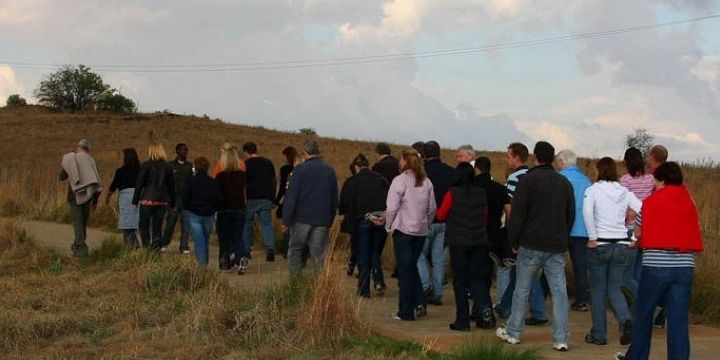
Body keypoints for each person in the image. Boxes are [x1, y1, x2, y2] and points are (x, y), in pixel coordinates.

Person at [616, 162, 703, 360]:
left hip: (656, 265)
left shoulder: (650, 202)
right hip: (685, 266)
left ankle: (637, 356)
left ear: (661, 180)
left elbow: (638, 231)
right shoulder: (689, 202)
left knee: (644, 314)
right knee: (678, 319)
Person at [496, 141, 574, 352]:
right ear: (552, 159)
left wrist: (513, 241)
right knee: (559, 292)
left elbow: (518, 215)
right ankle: (561, 338)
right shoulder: (564, 182)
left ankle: (514, 332)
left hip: (530, 244)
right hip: (556, 246)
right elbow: (570, 214)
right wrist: (562, 237)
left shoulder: (528, 180)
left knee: (521, 289)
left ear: (535, 157)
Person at [583, 157, 642, 346]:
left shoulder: (592, 190)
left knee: (598, 290)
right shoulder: (624, 191)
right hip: (621, 244)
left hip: (600, 244)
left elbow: (587, 212)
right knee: (614, 289)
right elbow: (642, 207)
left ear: (599, 170)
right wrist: (633, 237)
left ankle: (599, 334)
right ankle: (626, 320)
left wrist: (592, 237)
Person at [496, 143, 549, 326]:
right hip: (536, 229)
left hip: (521, 232)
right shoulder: (531, 176)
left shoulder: (514, 178)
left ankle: (537, 310)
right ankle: (505, 306)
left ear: (517, 157)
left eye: (508, 156)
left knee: (524, 272)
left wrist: (511, 234)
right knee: (519, 272)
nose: (506, 159)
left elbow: (511, 208)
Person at [436, 162, 492, 331]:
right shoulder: (482, 193)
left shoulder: (452, 193)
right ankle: (486, 313)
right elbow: (485, 218)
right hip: (479, 242)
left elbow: (440, 215)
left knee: (460, 282)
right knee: (478, 280)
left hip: (459, 243)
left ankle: (463, 320)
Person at [386, 147, 437, 321]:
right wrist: (426, 223)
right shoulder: (426, 182)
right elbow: (432, 209)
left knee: (405, 271)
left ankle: (406, 311)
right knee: (412, 266)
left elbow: (392, 207)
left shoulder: (399, 181)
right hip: (420, 231)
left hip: (403, 230)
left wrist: (388, 225)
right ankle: (419, 302)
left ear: (405, 161)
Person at [282, 140, 338, 276]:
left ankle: (295, 283)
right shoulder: (330, 171)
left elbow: (291, 198)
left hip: (301, 219)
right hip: (321, 220)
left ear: (305, 153)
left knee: (295, 250)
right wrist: (329, 220)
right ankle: (319, 287)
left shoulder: (299, 170)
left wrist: (286, 220)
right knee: (319, 255)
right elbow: (334, 198)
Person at [339, 154, 389, 298]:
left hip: (363, 220)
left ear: (356, 167)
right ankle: (378, 281)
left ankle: (364, 290)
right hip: (381, 220)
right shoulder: (381, 179)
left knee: (363, 255)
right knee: (374, 251)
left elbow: (345, 203)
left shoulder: (353, 181)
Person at [473, 156, 510, 329]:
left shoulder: (472, 188)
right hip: (495, 235)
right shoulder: (500, 189)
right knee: (487, 273)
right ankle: (479, 309)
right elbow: (509, 211)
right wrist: (507, 232)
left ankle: (484, 310)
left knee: (475, 275)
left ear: (477, 169)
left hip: (475, 235)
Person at [418, 140, 455, 306]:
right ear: (440, 153)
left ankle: (426, 285)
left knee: (418, 255)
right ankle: (438, 293)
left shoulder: (421, 173)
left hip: (425, 221)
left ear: (424, 156)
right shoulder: (451, 172)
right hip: (445, 222)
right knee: (439, 260)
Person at [557, 149, 592, 312]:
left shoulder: (560, 179)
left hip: (563, 228)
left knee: (554, 263)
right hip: (583, 229)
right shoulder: (586, 180)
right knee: (580, 267)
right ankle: (581, 299)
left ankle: (545, 296)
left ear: (562, 162)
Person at [619, 147, 655, 305]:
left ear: (627, 162)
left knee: (626, 276)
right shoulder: (651, 179)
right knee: (639, 274)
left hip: (631, 229)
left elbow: (622, 204)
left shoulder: (625, 180)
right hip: (647, 229)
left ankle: (649, 304)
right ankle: (645, 308)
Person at [60, 139, 102, 257]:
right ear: (88, 149)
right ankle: (77, 245)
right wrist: (95, 201)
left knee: (78, 222)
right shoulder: (91, 160)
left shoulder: (71, 158)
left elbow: (62, 176)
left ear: (78, 146)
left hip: (74, 195)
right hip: (89, 196)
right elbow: (96, 181)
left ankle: (81, 249)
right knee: (83, 222)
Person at [133, 143, 175, 251]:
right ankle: (156, 251)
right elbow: (171, 186)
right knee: (157, 228)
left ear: (151, 151)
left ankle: (146, 250)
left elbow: (139, 184)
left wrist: (135, 199)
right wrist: (172, 202)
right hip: (163, 201)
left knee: (144, 226)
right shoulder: (168, 166)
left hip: (148, 199)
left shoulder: (146, 165)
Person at [242, 142, 278, 262]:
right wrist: (272, 198)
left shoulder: (246, 164)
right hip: (265, 198)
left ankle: (247, 250)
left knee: (247, 224)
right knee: (266, 225)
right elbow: (274, 182)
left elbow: (243, 183)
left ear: (246, 152)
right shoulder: (268, 163)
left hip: (251, 198)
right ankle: (270, 249)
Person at [184, 157, 222, 267]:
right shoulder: (212, 182)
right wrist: (214, 209)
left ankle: (202, 266)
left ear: (195, 167)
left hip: (194, 214)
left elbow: (185, 198)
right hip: (209, 215)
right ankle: (204, 263)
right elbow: (219, 199)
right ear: (207, 167)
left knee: (199, 240)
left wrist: (188, 207)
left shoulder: (191, 181)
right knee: (205, 240)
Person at [215, 146, 248, 273]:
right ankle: (241, 258)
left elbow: (217, 195)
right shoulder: (242, 175)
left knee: (224, 238)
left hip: (224, 210)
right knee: (237, 237)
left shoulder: (220, 176)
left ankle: (225, 263)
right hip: (239, 208)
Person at [105, 148, 141, 248]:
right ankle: (135, 245)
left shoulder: (120, 171)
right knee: (134, 223)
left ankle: (130, 246)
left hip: (125, 198)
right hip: (138, 197)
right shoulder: (141, 170)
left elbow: (113, 186)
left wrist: (107, 198)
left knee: (127, 224)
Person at [161, 143, 192, 254]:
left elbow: (192, 183)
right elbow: (165, 183)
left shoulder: (190, 166)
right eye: (183, 150)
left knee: (186, 224)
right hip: (173, 199)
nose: (185, 152)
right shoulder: (170, 165)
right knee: (170, 223)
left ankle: (184, 246)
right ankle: (164, 243)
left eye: (186, 150)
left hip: (186, 200)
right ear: (177, 151)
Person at [274, 146, 298, 258]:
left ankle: (287, 250)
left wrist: (277, 202)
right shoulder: (300, 169)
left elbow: (283, 188)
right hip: (299, 202)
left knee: (287, 226)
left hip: (287, 201)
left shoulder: (284, 170)